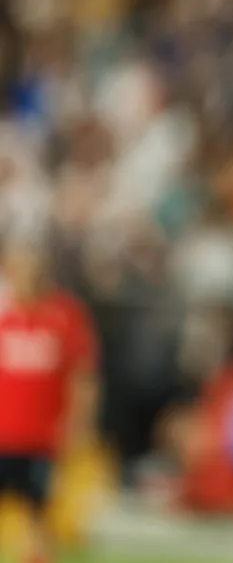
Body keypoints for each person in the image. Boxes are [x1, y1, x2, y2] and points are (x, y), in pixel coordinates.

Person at [0, 239, 98, 563]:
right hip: (4, 432)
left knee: (38, 508)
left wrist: (78, 423)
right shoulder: (4, 314)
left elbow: (82, 376)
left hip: (42, 435)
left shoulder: (64, 316)